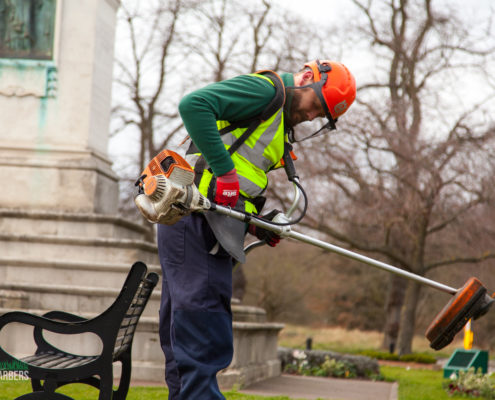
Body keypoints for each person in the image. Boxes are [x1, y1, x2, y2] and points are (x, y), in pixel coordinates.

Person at [157, 60, 356, 399]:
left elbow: (243, 186)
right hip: (195, 216)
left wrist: (259, 225)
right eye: (316, 107)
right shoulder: (266, 91)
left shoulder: (278, 125)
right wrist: (225, 173)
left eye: (321, 117)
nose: (312, 117)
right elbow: (194, 105)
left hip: (211, 223)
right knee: (203, 327)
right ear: (308, 78)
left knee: (187, 333)